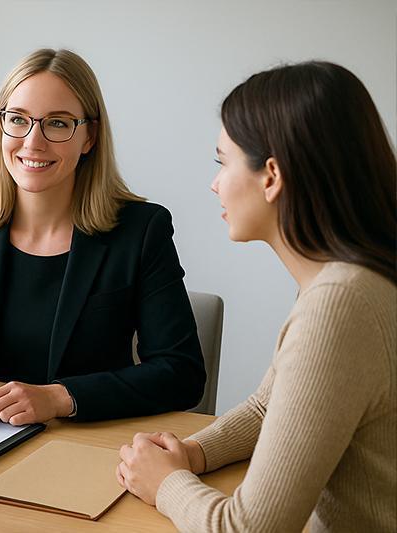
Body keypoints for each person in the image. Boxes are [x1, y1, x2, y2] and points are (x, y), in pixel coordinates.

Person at [116, 61, 396, 532]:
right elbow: (272, 405)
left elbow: (249, 529)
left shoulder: (341, 306)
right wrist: (195, 452)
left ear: (271, 176)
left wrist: (166, 484)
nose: (215, 183)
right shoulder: (351, 279)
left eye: (222, 162)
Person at [0, 48, 205, 425]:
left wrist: (61, 398)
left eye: (58, 123)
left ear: (89, 136)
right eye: (18, 120)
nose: (33, 142)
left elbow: (181, 373)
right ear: (0, 127)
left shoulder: (141, 230)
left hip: (88, 445)